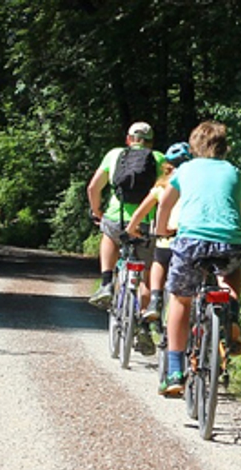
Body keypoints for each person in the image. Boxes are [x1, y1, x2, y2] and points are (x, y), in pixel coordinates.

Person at [155, 121, 241, 396]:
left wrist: (161, 230)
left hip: (190, 243)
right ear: (225, 147)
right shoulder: (236, 173)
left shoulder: (185, 170)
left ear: (194, 146)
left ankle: (175, 370)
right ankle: (232, 312)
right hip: (229, 243)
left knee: (180, 298)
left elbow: (165, 204)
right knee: (233, 269)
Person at [87, 121, 166, 355]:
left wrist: (97, 212)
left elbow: (93, 188)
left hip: (116, 218)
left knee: (108, 235)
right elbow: (168, 193)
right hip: (146, 224)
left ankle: (106, 283)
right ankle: (142, 322)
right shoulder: (159, 159)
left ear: (128, 139)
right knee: (146, 273)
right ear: (151, 141)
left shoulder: (114, 155)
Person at [125, 142, 192, 321]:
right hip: (191, 239)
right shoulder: (196, 187)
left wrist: (132, 229)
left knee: (159, 261)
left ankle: (155, 299)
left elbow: (139, 213)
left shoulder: (161, 188)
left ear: (167, 166)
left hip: (167, 240)